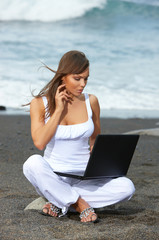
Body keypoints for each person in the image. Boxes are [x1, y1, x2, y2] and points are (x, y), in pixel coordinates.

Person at [23, 50, 135, 223]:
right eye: (77, 78)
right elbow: (39, 142)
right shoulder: (40, 103)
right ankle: (80, 204)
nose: (83, 84)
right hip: (53, 176)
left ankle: (60, 201)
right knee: (31, 163)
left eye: (86, 78)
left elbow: (95, 142)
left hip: (84, 177)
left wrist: (105, 166)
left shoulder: (91, 101)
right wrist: (59, 110)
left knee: (127, 187)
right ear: (63, 76)